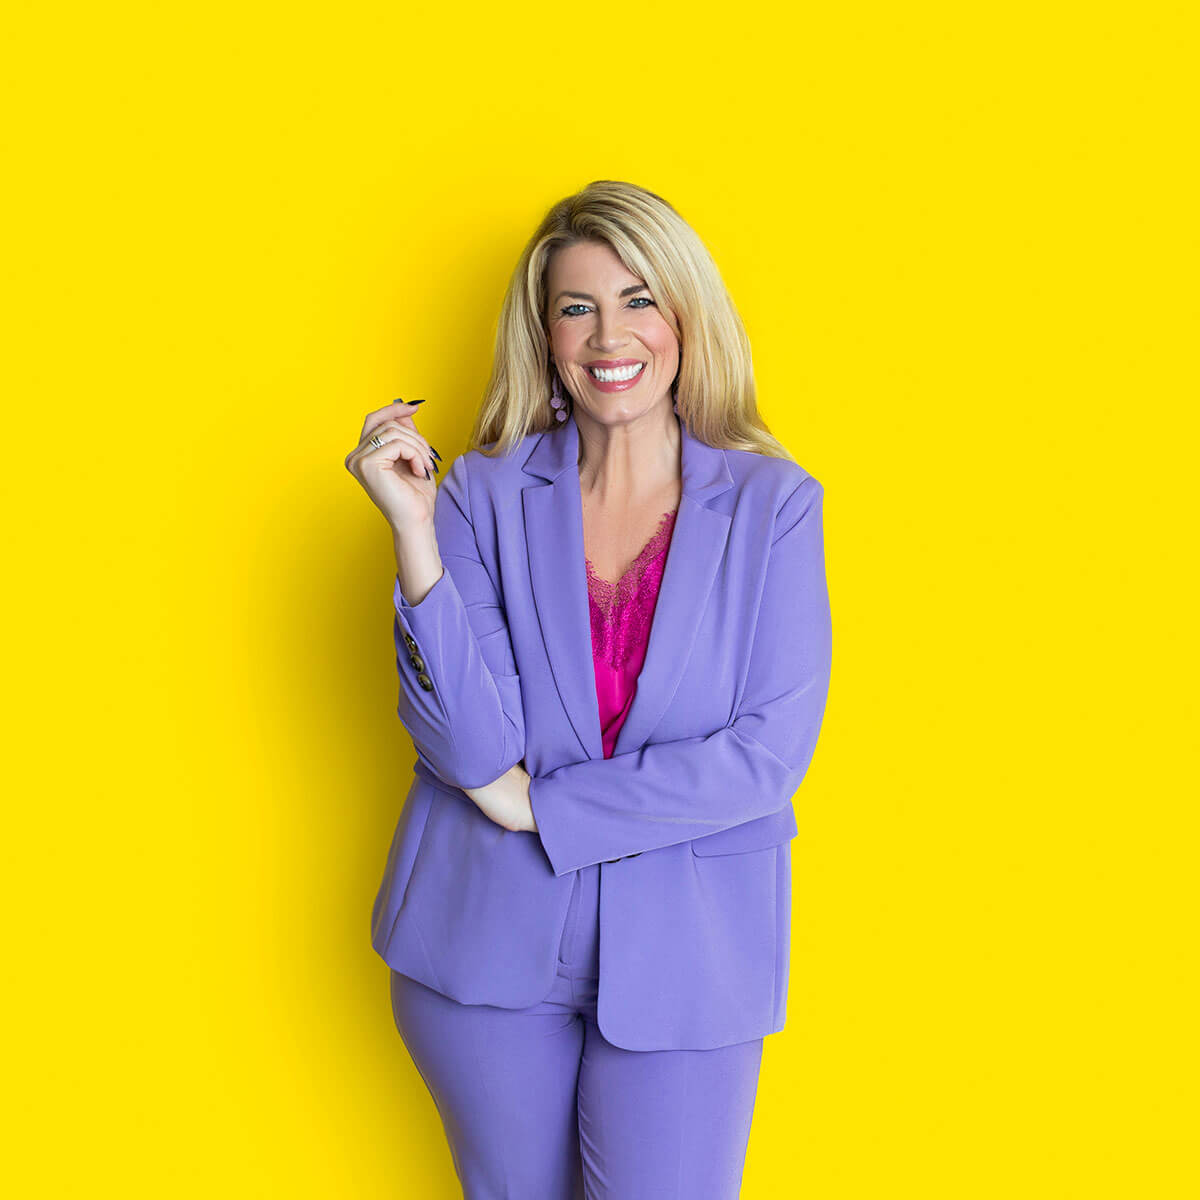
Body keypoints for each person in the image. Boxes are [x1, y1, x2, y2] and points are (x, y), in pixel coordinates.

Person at [344, 180, 833, 1199]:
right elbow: (471, 738)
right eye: (578, 306)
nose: (611, 334)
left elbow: (764, 754)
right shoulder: (478, 495)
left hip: (690, 955)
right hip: (481, 944)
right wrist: (415, 535)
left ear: (688, 319)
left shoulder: (774, 507)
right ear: (547, 336)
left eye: (639, 298)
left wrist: (541, 804)